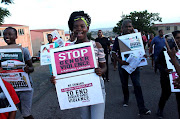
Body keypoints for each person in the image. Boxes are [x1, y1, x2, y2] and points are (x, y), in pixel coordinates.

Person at [50, 11, 107, 119]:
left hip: (96, 87)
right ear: (72, 29)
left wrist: (101, 71)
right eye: (75, 27)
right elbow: (62, 72)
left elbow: (104, 66)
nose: (79, 29)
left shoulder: (96, 45)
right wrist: (56, 80)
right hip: (79, 90)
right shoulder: (66, 49)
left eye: (82, 26)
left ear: (88, 28)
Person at [112, 19, 151, 115]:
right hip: (123, 66)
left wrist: (143, 56)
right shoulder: (119, 39)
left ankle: (142, 108)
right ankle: (126, 99)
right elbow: (113, 53)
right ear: (122, 28)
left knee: (137, 85)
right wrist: (120, 61)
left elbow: (140, 50)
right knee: (124, 84)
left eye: (130, 26)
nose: (129, 28)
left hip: (135, 65)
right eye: (126, 26)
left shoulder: (136, 38)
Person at [3, 27, 34, 119]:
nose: (6, 36)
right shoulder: (1, 52)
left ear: (16, 36)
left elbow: (32, 67)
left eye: (9, 34)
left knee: (26, 114)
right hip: (10, 88)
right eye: (4, 34)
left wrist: (28, 69)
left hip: (25, 88)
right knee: (15, 112)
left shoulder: (23, 50)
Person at [155, 30, 180, 118]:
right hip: (167, 77)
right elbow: (157, 63)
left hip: (178, 79)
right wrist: (164, 70)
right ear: (173, 39)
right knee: (165, 95)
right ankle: (160, 110)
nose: (179, 40)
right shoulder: (165, 50)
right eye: (177, 38)